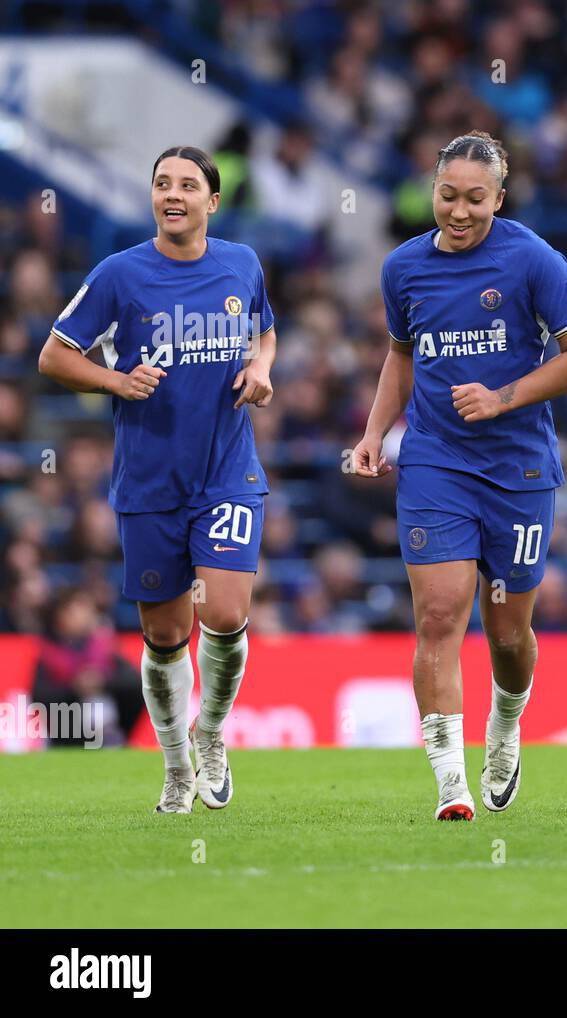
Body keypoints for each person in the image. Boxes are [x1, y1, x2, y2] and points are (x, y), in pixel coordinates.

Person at [354, 131, 567, 821]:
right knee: (437, 616)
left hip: (518, 466)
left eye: (474, 199)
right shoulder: (403, 268)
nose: (458, 212)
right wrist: (376, 433)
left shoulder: (531, 260)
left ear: (500, 196)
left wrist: (504, 397)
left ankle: (507, 722)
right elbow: (402, 356)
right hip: (435, 460)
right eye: (446, 196)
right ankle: (449, 783)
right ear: (432, 189)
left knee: (509, 635)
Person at [37, 145, 277, 813]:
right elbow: (54, 354)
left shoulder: (242, 264)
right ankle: (174, 764)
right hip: (149, 483)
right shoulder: (120, 273)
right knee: (167, 635)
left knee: (225, 615)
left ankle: (212, 734)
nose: (173, 194)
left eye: (188, 185)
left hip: (227, 473)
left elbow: (266, 333)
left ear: (213, 201)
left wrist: (260, 370)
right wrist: (116, 379)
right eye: (162, 183)